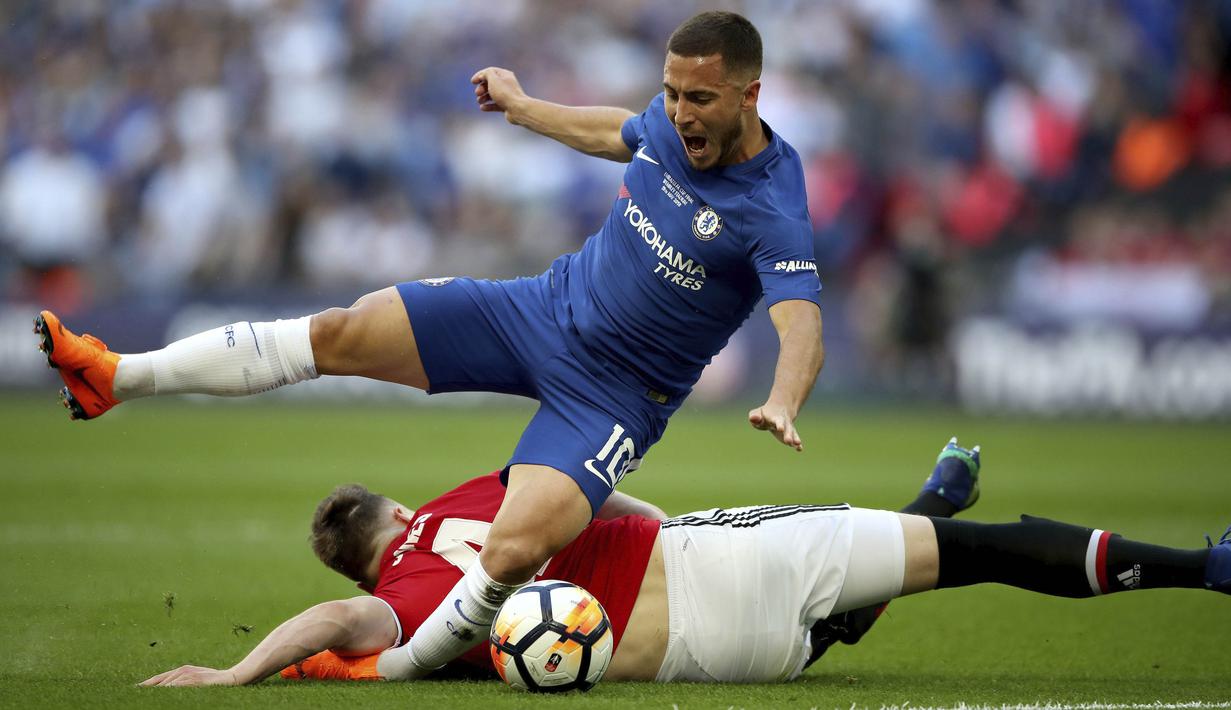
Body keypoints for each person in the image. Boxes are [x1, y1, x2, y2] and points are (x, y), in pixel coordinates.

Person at [37, 11, 824, 678]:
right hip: (541, 310)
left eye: (700, 99)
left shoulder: (771, 204)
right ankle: (116, 375)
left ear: (748, 95)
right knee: (343, 329)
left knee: (514, 547)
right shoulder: (670, 122)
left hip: (614, 393)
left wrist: (783, 398)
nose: (680, 113)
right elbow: (620, 133)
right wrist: (521, 106)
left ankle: (396, 666)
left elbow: (800, 318)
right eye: (671, 93)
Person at [139, 440, 1231, 687]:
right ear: (396, 503)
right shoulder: (491, 486)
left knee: (814, 637)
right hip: (711, 551)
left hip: (707, 659)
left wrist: (235, 674)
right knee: (976, 554)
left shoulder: (392, 607)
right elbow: (620, 493)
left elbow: (332, 631)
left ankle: (924, 512)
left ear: (357, 562)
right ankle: (1206, 567)